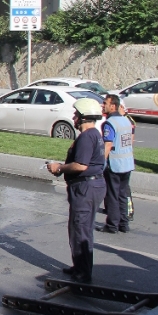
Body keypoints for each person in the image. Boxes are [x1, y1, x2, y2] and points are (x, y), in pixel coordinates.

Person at [47, 98, 106, 284]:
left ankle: (82, 273)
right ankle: (80, 266)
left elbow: (80, 165)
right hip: (91, 186)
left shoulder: (87, 137)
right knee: (82, 229)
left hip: (85, 188)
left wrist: (59, 168)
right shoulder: (94, 134)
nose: (74, 117)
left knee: (80, 230)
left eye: (76, 114)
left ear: (83, 117)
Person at [98, 94, 134, 234]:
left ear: (113, 106)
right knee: (123, 195)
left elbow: (108, 145)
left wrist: (100, 163)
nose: (103, 105)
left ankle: (112, 225)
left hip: (115, 164)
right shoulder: (125, 121)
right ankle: (124, 224)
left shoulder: (110, 123)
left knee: (112, 195)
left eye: (105, 103)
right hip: (127, 163)